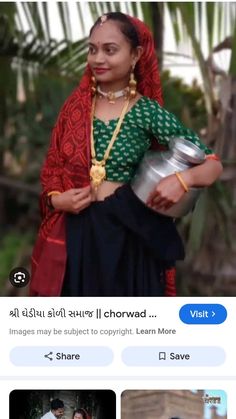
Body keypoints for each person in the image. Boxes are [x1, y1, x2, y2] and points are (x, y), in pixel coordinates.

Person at [30, 12, 222, 297]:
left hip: (128, 235)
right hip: (78, 231)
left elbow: (211, 164)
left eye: (110, 50)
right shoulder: (75, 108)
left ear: (135, 55)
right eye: (92, 50)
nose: (98, 59)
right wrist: (59, 199)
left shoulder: (146, 111)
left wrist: (182, 180)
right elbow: (53, 170)